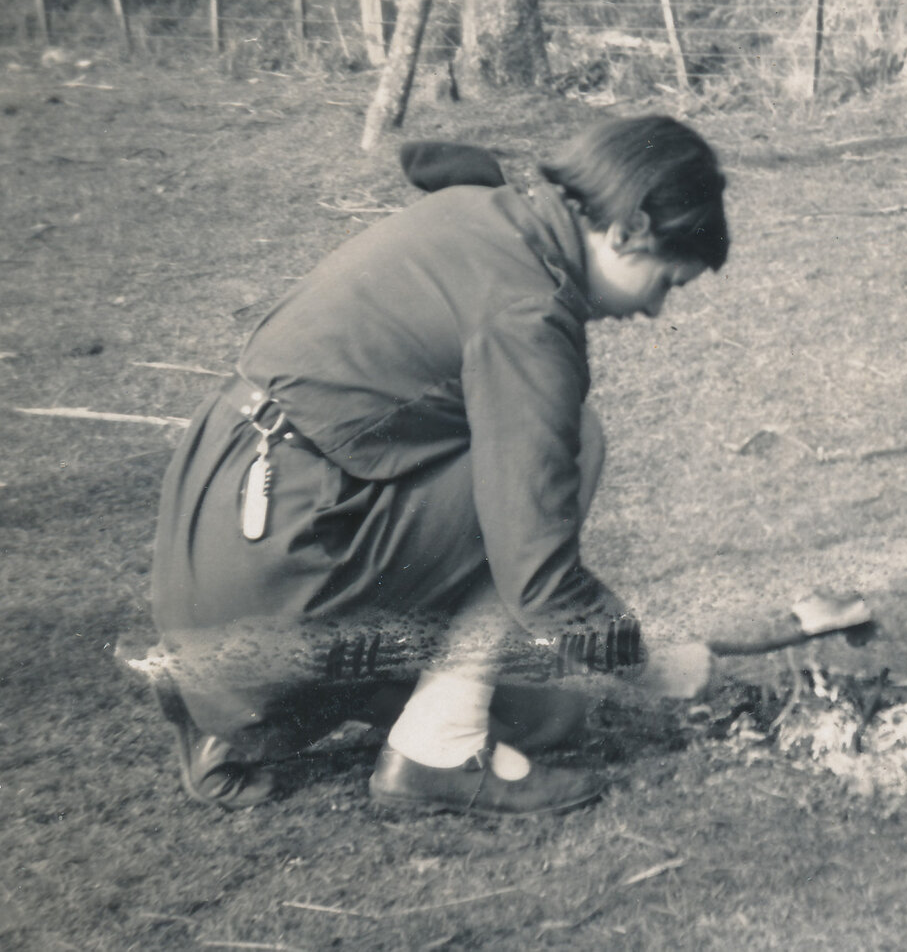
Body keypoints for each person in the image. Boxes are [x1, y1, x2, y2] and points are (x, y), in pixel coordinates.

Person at [148, 116, 728, 817]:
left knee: (542, 715)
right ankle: (434, 752)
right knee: (575, 442)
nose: (656, 309)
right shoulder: (528, 314)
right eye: (666, 280)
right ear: (629, 229)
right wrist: (655, 664)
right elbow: (540, 581)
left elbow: (429, 161)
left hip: (211, 537)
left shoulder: (481, 211)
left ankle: (237, 718)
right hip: (273, 561)